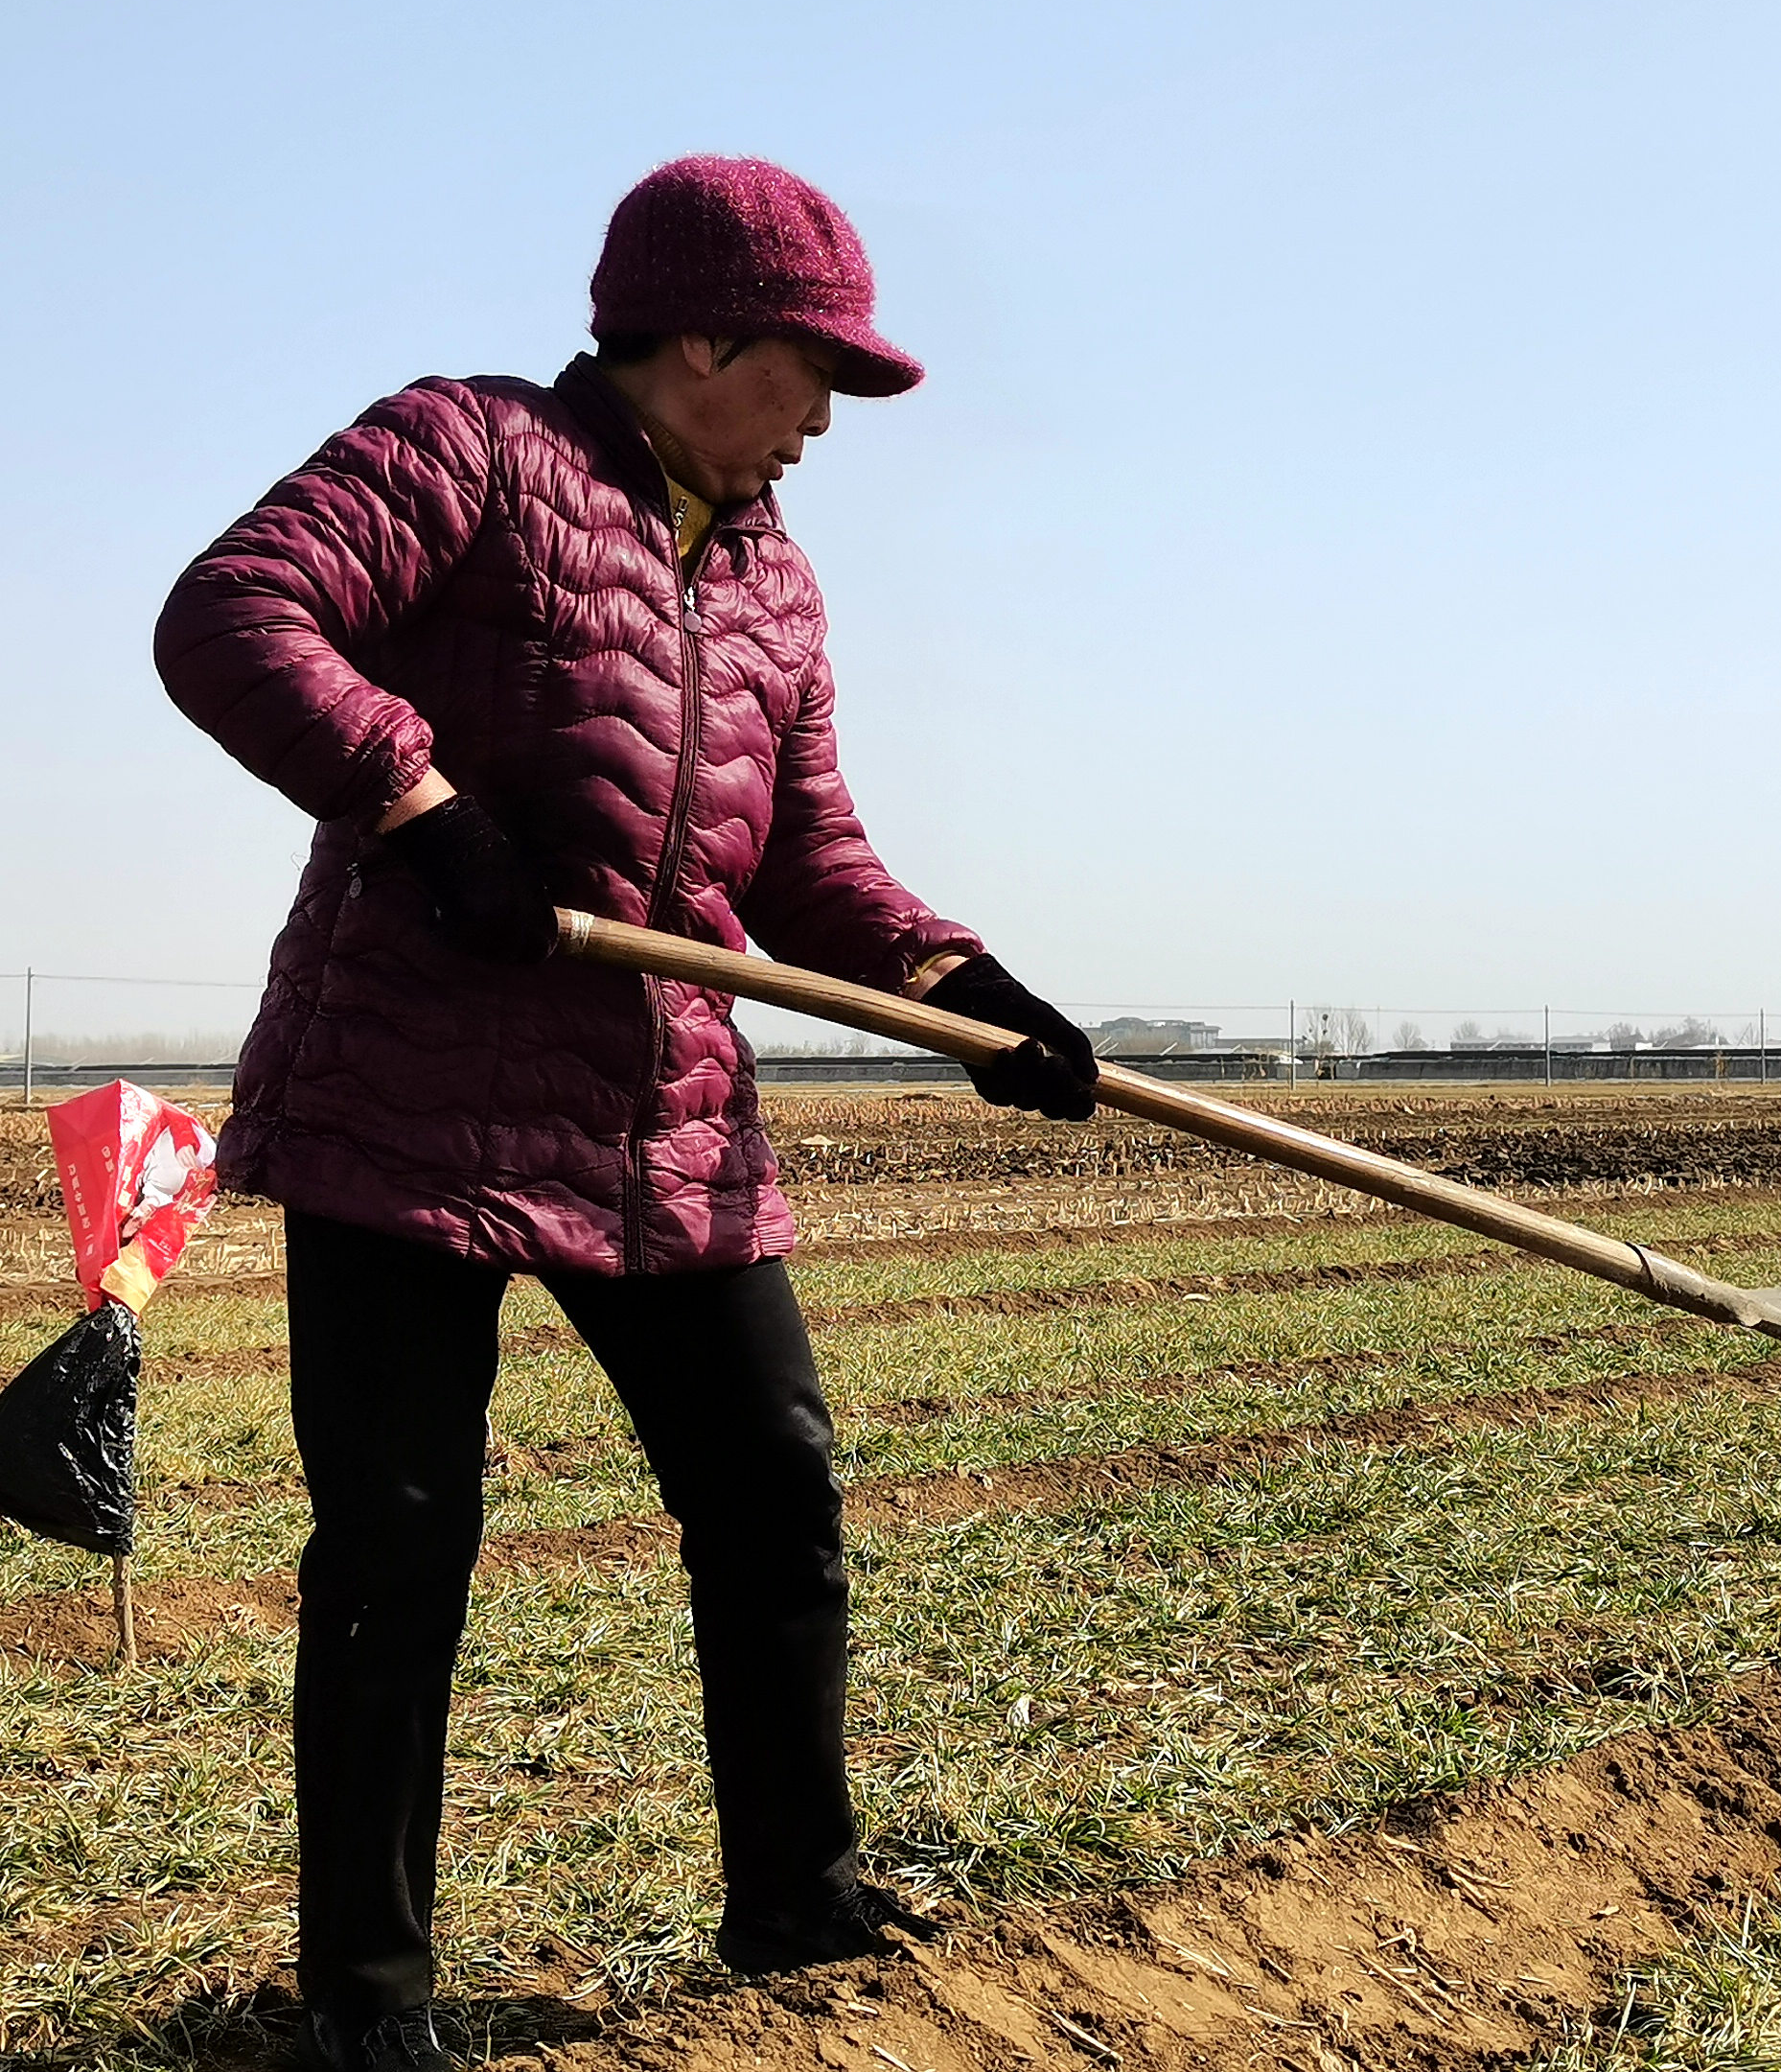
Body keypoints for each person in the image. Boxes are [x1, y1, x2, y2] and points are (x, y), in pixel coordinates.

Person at [155, 157, 1102, 2072]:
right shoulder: (475, 451)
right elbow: (234, 617)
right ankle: (368, 2006)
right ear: (696, 340)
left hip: (659, 1104)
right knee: (400, 1544)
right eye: (811, 371)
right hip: (410, 1102)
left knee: (771, 1491)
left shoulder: (769, 575)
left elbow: (808, 853)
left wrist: (962, 988)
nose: (830, 420)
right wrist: (422, 818)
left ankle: (799, 1903)